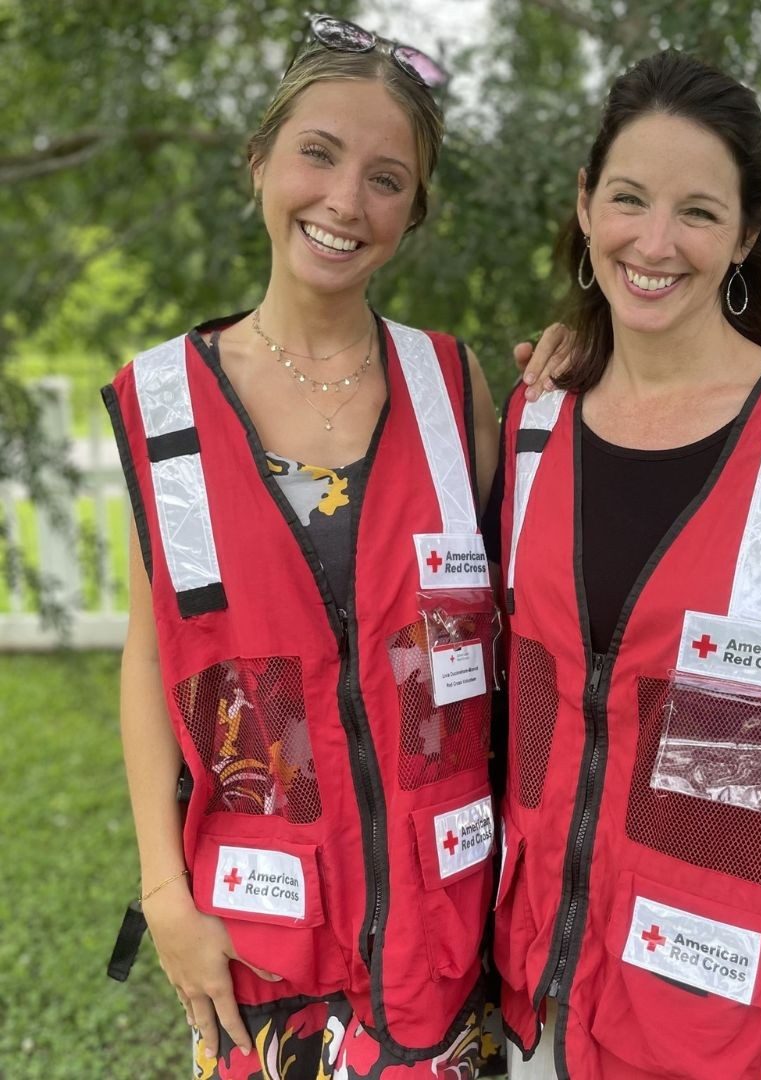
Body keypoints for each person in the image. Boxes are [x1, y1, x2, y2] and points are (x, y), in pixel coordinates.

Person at [103, 17, 508, 1079]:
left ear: (414, 213)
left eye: (386, 178)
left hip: (448, 945)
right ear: (260, 162)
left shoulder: (454, 390)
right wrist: (164, 895)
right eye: (317, 154)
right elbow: (154, 655)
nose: (344, 202)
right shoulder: (164, 406)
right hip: (261, 952)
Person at [490, 51, 761, 1079]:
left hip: (746, 1025)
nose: (655, 241)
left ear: (744, 237)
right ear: (588, 207)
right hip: (543, 995)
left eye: (699, 212)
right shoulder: (532, 424)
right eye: (629, 199)